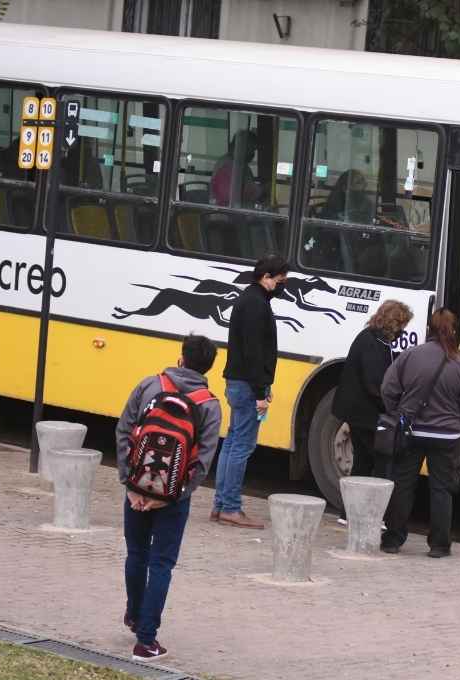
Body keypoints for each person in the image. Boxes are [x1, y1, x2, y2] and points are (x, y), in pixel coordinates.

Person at [115, 334, 221, 661]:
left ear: (181, 358)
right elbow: (203, 460)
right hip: (173, 499)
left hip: (135, 487)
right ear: (209, 368)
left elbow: (123, 431)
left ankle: (134, 615)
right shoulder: (209, 404)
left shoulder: (149, 385)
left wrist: (131, 484)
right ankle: (146, 641)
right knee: (161, 563)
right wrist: (173, 496)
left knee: (136, 553)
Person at [380, 309, 460, 558]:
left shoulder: (411, 355)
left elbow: (388, 388)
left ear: (429, 329)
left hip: (412, 431)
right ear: (454, 331)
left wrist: (399, 413)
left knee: (403, 484)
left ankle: (393, 539)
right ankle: (439, 545)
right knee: (442, 489)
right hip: (447, 437)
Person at [212, 254, 289, 529]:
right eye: (281, 280)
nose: (283, 285)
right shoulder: (257, 305)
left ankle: (220, 504)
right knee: (242, 446)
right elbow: (255, 353)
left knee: (232, 443)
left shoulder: (248, 299)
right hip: (247, 385)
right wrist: (260, 393)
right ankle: (231, 508)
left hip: (237, 381)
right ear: (266, 277)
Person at [331, 299, 414, 524]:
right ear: (393, 323)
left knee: (363, 461)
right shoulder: (372, 343)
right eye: (402, 327)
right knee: (380, 462)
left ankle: (349, 513)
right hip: (364, 413)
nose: (402, 333)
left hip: (358, 411)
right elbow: (374, 383)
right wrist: (391, 407)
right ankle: (374, 516)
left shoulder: (372, 337)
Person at [211, 129, 263, 208]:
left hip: (237, 211)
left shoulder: (240, 164)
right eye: (251, 149)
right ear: (243, 147)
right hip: (226, 214)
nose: (253, 154)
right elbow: (243, 191)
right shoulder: (228, 164)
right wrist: (262, 189)